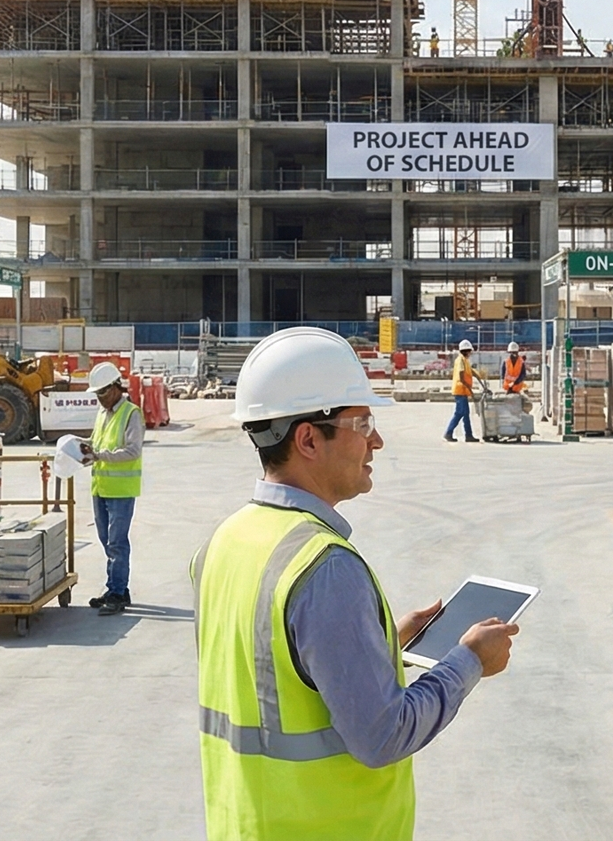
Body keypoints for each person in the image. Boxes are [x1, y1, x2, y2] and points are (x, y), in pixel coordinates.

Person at [195, 326, 519, 840]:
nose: (377, 439)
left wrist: (382, 640)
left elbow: (275, 667)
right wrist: (469, 661)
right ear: (307, 439)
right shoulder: (324, 567)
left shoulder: (225, 541)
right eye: (361, 422)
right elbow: (382, 736)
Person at [79, 362, 143, 615]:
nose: (100, 399)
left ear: (116, 387)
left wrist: (99, 455)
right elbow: (97, 443)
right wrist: (80, 446)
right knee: (106, 540)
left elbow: (132, 450)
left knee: (117, 543)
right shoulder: (103, 414)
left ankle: (117, 592)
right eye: (97, 394)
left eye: (103, 393)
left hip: (121, 490)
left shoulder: (131, 413)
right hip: (101, 487)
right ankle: (116, 588)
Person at [443, 338, 479, 444]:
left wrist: (478, 376)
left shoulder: (464, 360)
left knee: (466, 414)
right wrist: (469, 388)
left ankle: (468, 435)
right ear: (466, 351)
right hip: (460, 390)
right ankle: (448, 433)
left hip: (463, 391)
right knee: (459, 413)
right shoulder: (460, 361)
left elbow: (470, 371)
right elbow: (462, 377)